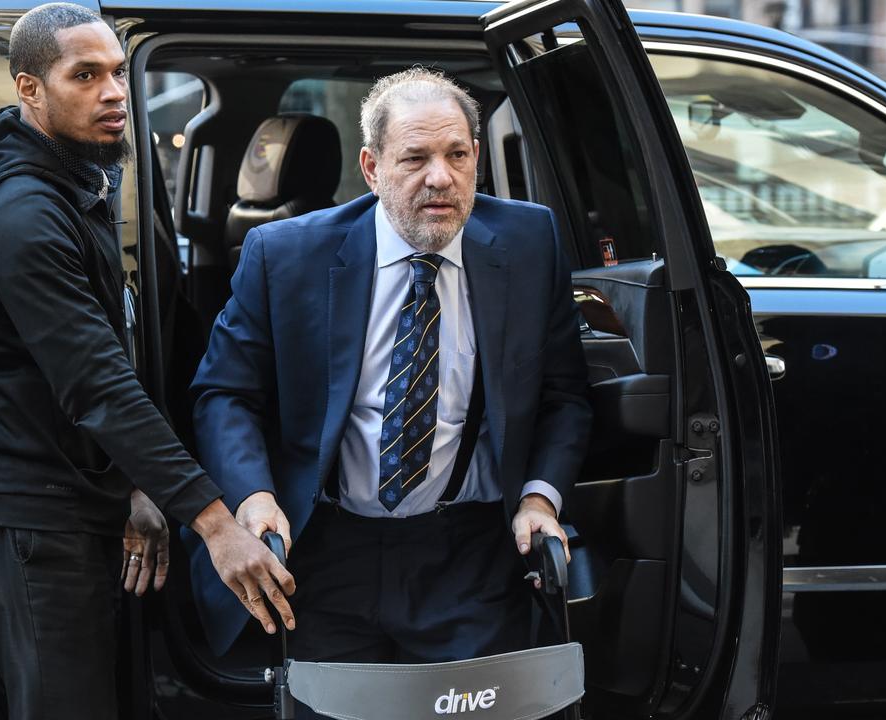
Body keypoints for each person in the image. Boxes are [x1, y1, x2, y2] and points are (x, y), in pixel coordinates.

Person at [188, 67, 593, 705]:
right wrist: (255, 496)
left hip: (468, 551)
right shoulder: (286, 254)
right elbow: (225, 393)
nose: (441, 177)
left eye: (457, 155)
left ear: (477, 160)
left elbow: (565, 395)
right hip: (324, 550)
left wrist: (540, 499)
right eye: (416, 158)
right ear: (372, 168)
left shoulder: (528, 240)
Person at [0, 5, 294, 719]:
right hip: (31, 516)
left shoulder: (68, 173)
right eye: (85, 75)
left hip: (73, 493)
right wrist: (216, 526)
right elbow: (97, 384)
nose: (112, 93)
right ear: (29, 89)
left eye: (115, 73)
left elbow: (114, 345)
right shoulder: (22, 215)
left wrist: (135, 486)